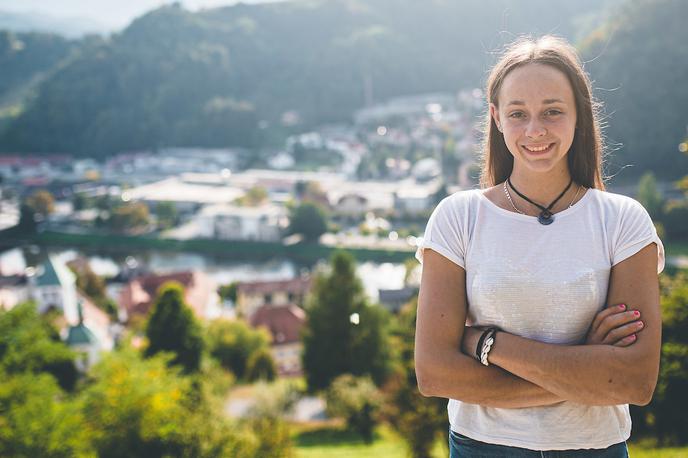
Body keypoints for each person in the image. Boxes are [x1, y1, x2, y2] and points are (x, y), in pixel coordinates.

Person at [414, 35, 664, 457]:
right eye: (518, 113)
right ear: (495, 117)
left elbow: (634, 382)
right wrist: (583, 368)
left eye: (552, 111)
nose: (535, 130)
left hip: (595, 449)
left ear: (578, 115)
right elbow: (435, 374)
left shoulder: (623, 221)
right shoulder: (457, 218)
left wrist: (485, 344)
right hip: (483, 448)